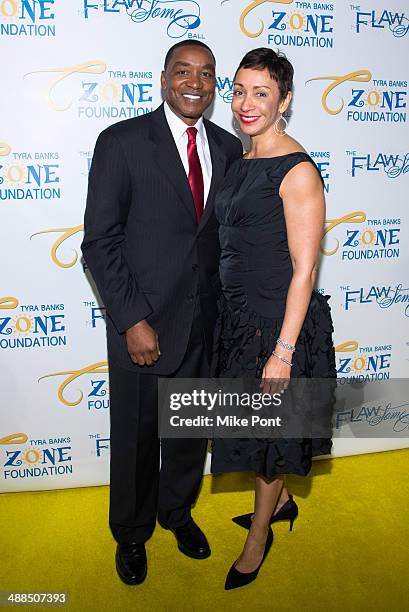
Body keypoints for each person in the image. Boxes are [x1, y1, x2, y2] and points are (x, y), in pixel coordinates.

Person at [81, 40, 243, 585]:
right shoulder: (122, 142)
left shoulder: (228, 148)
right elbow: (100, 242)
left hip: (206, 325)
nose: (194, 82)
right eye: (183, 72)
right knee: (134, 439)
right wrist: (131, 320)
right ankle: (130, 533)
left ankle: (176, 512)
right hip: (143, 327)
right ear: (164, 79)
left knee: (189, 434)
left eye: (206, 74)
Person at [210, 48, 336, 590]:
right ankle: (280, 503)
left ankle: (258, 536)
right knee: (260, 433)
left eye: (261, 93)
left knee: (268, 439)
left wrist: (282, 352)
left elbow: (305, 271)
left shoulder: (297, 170)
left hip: (277, 327)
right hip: (240, 321)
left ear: (285, 100)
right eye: (239, 90)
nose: (245, 103)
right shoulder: (242, 159)